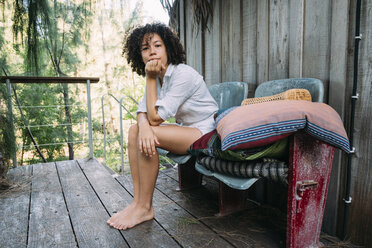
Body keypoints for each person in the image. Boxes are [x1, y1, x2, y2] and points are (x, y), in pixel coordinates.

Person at [107, 23, 218, 230]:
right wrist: (144, 126)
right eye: (145, 48)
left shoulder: (182, 73)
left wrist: (149, 80)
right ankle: (138, 203)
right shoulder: (158, 78)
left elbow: (155, 118)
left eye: (157, 45)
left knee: (146, 131)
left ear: (168, 48)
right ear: (139, 55)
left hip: (206, 132)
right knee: (135, 130)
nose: (152, 52)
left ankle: (145, 207)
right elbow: (142, 113)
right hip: (187, 130)